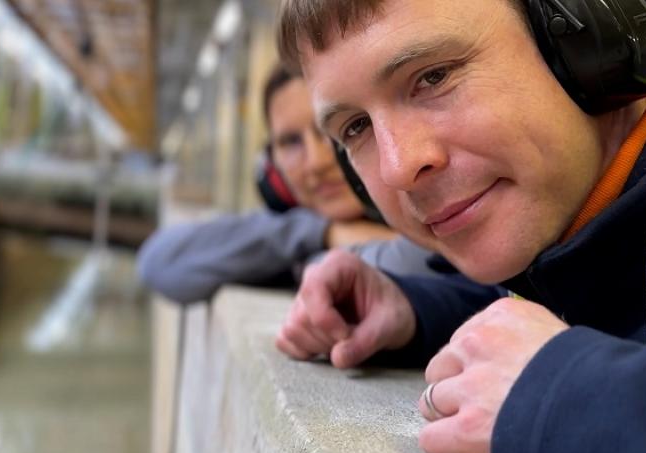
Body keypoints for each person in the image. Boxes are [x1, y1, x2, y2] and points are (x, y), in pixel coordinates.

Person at [271, 0, 646, 453]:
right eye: (356, 127)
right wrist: (419, 310)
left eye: (433, 77)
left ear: (587, 39)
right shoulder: (579, 210)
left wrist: (575, 402)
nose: (398, 167)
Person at [138, 66, 479, 305]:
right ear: (271, 167)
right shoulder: (293, 233)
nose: (316, 162)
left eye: (335, 132)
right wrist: (322, 234)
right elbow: (160, 261)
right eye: (290, 142)